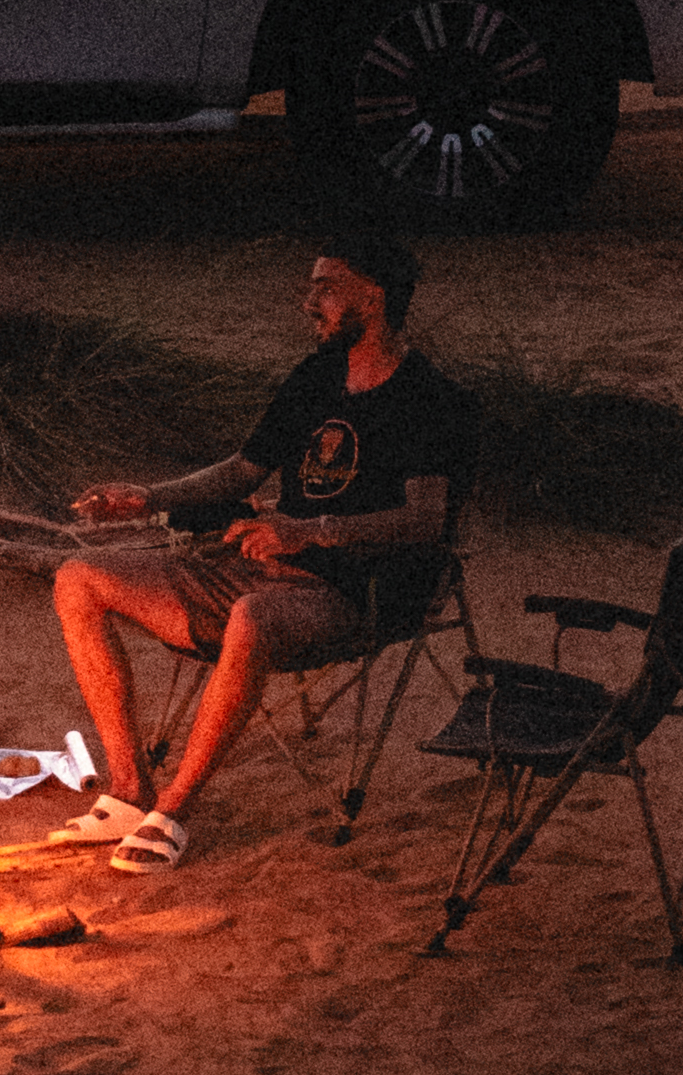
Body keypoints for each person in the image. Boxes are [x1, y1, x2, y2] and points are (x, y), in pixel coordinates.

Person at [46, 231, 473, 864]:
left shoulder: (426, 399)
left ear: (374, 297)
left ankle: (173, 812)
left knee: (252, 617)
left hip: (356, 590)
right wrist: (149, 496)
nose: (309, 301)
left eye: (326, 287)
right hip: (257, 566)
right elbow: (242, 471)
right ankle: (130, 792)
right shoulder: (317, 376)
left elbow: (425, 520)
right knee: (78, 577)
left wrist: (311, 531)